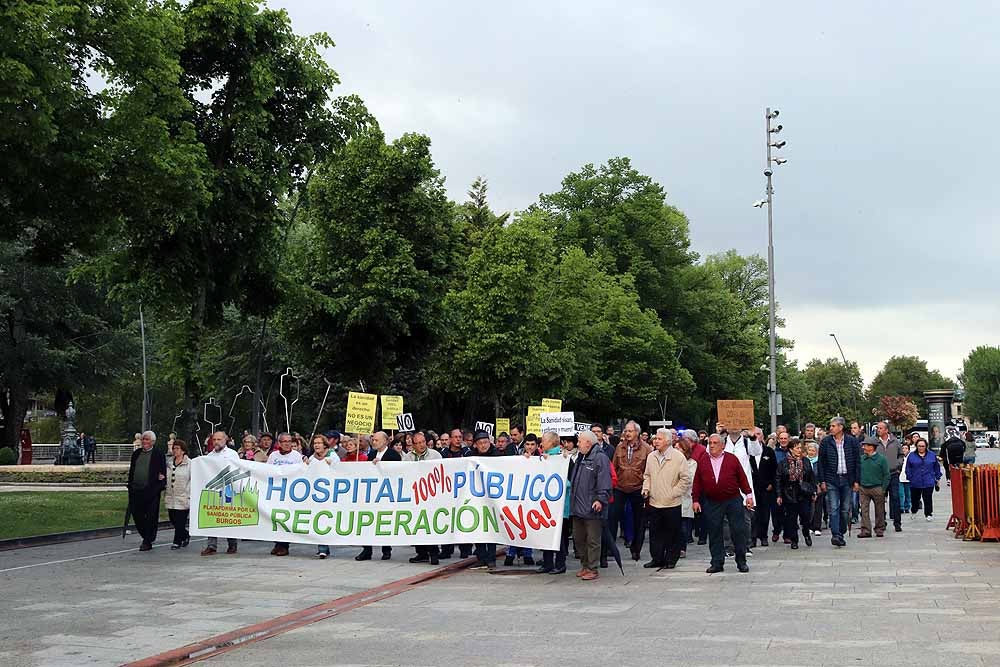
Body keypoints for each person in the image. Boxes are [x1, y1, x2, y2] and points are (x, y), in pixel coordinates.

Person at [692, 434, 754, 573]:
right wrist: (695, 499)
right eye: (710, 443)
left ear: (722, 445)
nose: (712, 445)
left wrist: (749, 495)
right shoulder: (703, 460)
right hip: (712, 501)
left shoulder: (731, 459)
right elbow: (697, 481)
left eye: (715, 443)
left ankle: (741, 561)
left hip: (732, 499)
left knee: (738, 530)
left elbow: (742, 478)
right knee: (714, 532)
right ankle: (717, 562)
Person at [641, 428, 692, 569]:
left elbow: (686, 479)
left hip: (672, 502)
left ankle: (671, 559)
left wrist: (674, 492)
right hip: (654, 501)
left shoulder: (678, 457)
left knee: (672, 533)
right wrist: (646, 489)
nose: (656, 441)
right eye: (655, 438)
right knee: (655, 533)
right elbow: (647, 475)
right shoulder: (651, 456)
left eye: (659, 439)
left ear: (668, 441)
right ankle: (656, 558)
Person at [569, 431, 611, 581]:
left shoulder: (599, 458)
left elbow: (604, 481)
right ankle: (584, 565)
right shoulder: (581, 457)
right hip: (578, 507)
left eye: (580, 441)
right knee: (579, 538)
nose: (577, 443)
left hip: (592, 507)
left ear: (588, 442)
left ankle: (593, 568)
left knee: (593, 540)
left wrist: (600, 499)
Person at [817, 417, 861, 548]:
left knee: (845, 509)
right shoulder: (826, 442)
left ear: (841, 427)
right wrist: (822, 480)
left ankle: (841, 532)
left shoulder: (852, 441)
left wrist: (857, 481)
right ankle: (835, 535)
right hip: (832, 479)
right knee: (834, 508)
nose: (831, 428)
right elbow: (821, 463)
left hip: (847, 479)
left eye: (833, 426)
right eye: (830, 426)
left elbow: (857, 462)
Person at [610, 420, 651, 561]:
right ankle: (610, 549)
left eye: (630, 431)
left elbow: (648, 470)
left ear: (637, 433)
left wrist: (646, 487)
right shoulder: (619, 447)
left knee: (638, 521)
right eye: (626, 431)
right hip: (620, 487)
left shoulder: (646, 448)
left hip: (637, 488)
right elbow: (614, 467)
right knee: (613, 516)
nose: (627, 433)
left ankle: (636, 549)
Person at [356, 432, 399, 562]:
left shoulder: (393, 455)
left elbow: (397, 471)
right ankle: (367, 550)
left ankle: (386, 550)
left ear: (385, 441)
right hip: (372, 493)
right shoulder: (371, 454)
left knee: (384, 521)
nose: (374, 442)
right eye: (373, 440)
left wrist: (382, 465)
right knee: (367, 521)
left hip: (386, 494)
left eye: (377, 440)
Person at [200, 431, 241, 556]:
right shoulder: (209, 456)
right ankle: (211, 546)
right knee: (211, 516)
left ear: (225, 440)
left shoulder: (232, 454)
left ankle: (232, 544)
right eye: (214, 439)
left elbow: (237, 470)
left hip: (228, 489)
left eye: (219, 439)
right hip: (213, 490)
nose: (216, 442)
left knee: (228, 517)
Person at [267, 432, 307, 556]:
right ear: (279, 443)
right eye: (284, 441)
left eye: (289, 441)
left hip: (290, 491)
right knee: (274, 518)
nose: (287, 444)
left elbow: (302, 471)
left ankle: (284, 545)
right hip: (276, 491)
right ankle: (277, 543)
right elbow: (266, 471)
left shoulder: (296, 456)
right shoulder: (273, 456)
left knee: (285, 518)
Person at [126, 430, 166, 552]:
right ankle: (147, 536)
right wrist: (130, 485)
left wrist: (159, 484)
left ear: (153, 442)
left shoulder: (158, 454)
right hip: (136, 490)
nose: (144, 441)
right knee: (137, 515)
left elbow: (163, 473)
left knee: (151, 517)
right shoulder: (136, 454)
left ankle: (147, 541)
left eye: (147, 439)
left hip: (151, 491)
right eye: (143, 439)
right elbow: (132, 470)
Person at [537, 432, 570, 575]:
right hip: (546, 504)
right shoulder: (542, 458)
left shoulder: (564, 459)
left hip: (560, 506)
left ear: (551, 443)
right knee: (546, 534)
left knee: (560, 536)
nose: (541, 443)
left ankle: (560, 563)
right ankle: (548, 563)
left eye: (543, 440)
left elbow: (570, 481)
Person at [775, 438, 817, 549]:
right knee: (791, 519)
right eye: (797, 448)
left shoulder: (806, 461)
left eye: (800, 448)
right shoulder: (783, 463)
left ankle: (806, 533)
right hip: (789, 492)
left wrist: (813, 491)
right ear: (791, 449)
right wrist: (779, 495)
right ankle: (794, 540)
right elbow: (778, 479)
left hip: (804, 493)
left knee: (806, 516)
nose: (799, 450)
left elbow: (812, 477)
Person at [469, 431, 500, 571]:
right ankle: (481, 558)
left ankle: (491, 558)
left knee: (491, 528)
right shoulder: (470, 457)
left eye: (485, 442)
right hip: (476, 498)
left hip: (493, 498)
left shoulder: (498, 455)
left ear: (490, 442)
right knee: (478, 527)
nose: (483, 445)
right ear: (476, 444)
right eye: (480, 443)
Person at [857, 436, 890, 538]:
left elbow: (886, 475)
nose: (863, 447)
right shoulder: (862, 459)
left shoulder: (881, 459)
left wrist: (883, 489)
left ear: (872, 447)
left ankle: (879, 529)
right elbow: (857, 472)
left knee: (879, 510)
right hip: (863, 488)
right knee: (864, 510)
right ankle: (866, 530)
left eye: (866, 445)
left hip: (877, 487)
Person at [876, 421, 904, 533]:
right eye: (878, 428)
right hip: (880, 475)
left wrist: (898, 465)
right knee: (880, 499)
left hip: (893, 474)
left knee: (895, 498)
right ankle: (882, 522)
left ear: (886, 430)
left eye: (881, 428)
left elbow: (901, 455)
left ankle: (897, 523)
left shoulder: (895, 441)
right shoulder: (875, 442)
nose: (878, 430)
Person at [164, 439, 191, 549]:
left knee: (180, 521)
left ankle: (177, 541)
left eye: (177, 448)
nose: (175, 450)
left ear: (183, 450)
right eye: (174, 448)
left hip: (183, 496)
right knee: (173, 519)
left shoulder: (190, 464)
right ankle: (185, 535)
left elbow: (192, 479)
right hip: (171, 496)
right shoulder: (169, 463)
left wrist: (189, 492)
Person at [906, 437, 941, 521]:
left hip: (928, 480)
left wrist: (937, 477)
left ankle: (928, 514)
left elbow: (936, 467)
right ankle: (914, 511)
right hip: (915, 481)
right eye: (919, 446)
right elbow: (908, 468)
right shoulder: (911, 455)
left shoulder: (932, 455)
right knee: (915, 498)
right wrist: (910, 477)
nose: (921, 448)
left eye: (923, 446)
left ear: (926, 446)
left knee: (928, 498)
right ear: (916, 446)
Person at [806, 441, 825, 536]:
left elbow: (821, 474)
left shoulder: (819, 462)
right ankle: (809, 526)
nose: (811, 452)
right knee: (809, 508)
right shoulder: (804, 460)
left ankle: (817, 527)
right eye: (809, 450)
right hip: (808, 488)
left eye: (813, 450)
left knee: (818, 508)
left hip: (818, 487)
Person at [899, 442, 912, 515]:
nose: (904, 450)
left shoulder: (911, 457)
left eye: (906, 448)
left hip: (908, 478)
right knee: (901, 493)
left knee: (908, 494)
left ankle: (907, 507)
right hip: (900, 477)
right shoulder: (899, 457)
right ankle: (901, 507)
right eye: (903, 448)